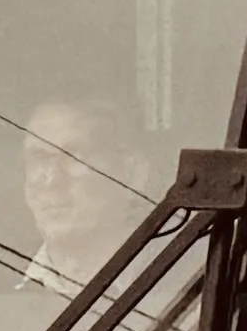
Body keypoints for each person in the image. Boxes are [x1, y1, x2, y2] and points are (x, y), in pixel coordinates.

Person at [14, 95, 162, 285]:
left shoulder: (191, 287)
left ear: (133, 173)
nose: (51, 180)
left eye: (72, 157)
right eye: (38, 158)